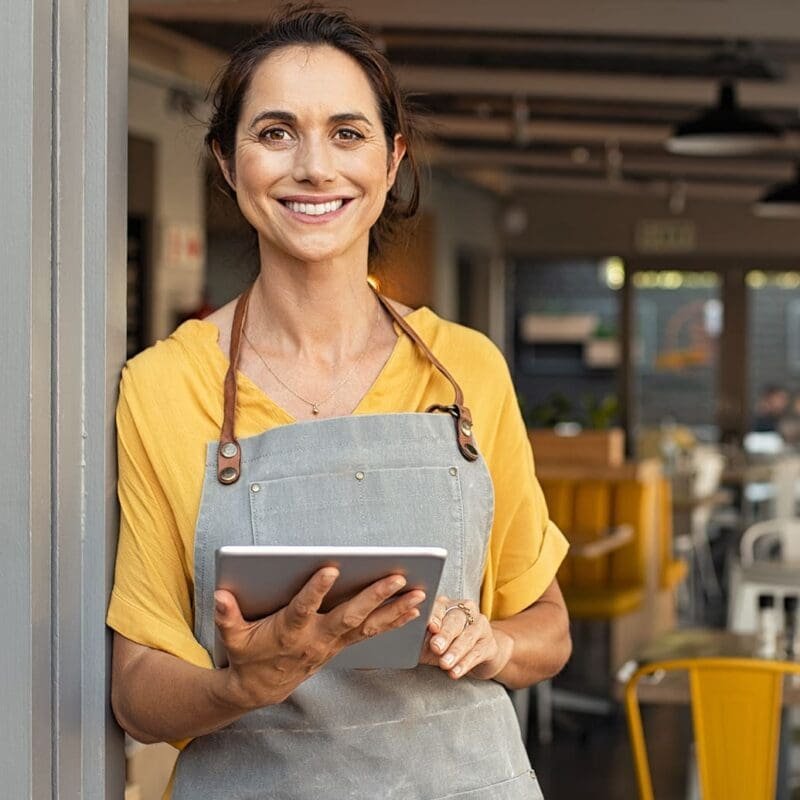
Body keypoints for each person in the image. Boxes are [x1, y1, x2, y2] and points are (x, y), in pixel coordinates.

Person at [108, 6, 571, 798]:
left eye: (348, 134)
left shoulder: (465, 373)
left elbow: (548, 626)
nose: (315, 168)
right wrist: (244, 684)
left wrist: (490, 644)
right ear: (227, 160)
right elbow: (137, 690)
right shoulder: (163, 386)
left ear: (391, 162)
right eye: (276, 132)